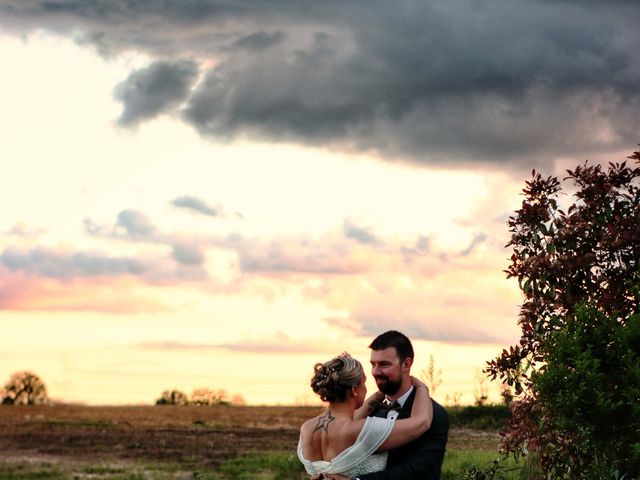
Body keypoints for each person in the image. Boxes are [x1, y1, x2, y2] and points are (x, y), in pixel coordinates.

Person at [318, 330, 450, 480]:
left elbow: (417, 470)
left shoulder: (435, 414)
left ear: (406, 365)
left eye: (384, 365)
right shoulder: (369, 410)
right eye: (373, 364)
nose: (375, 372)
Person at [297, 352, 433, 478]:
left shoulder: (307, 429)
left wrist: (383, 392)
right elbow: (422, 422)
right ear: (355, 390)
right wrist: (421, 387)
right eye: (364, 382)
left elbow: (349, 419)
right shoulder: (362, 430)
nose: (366, 389)